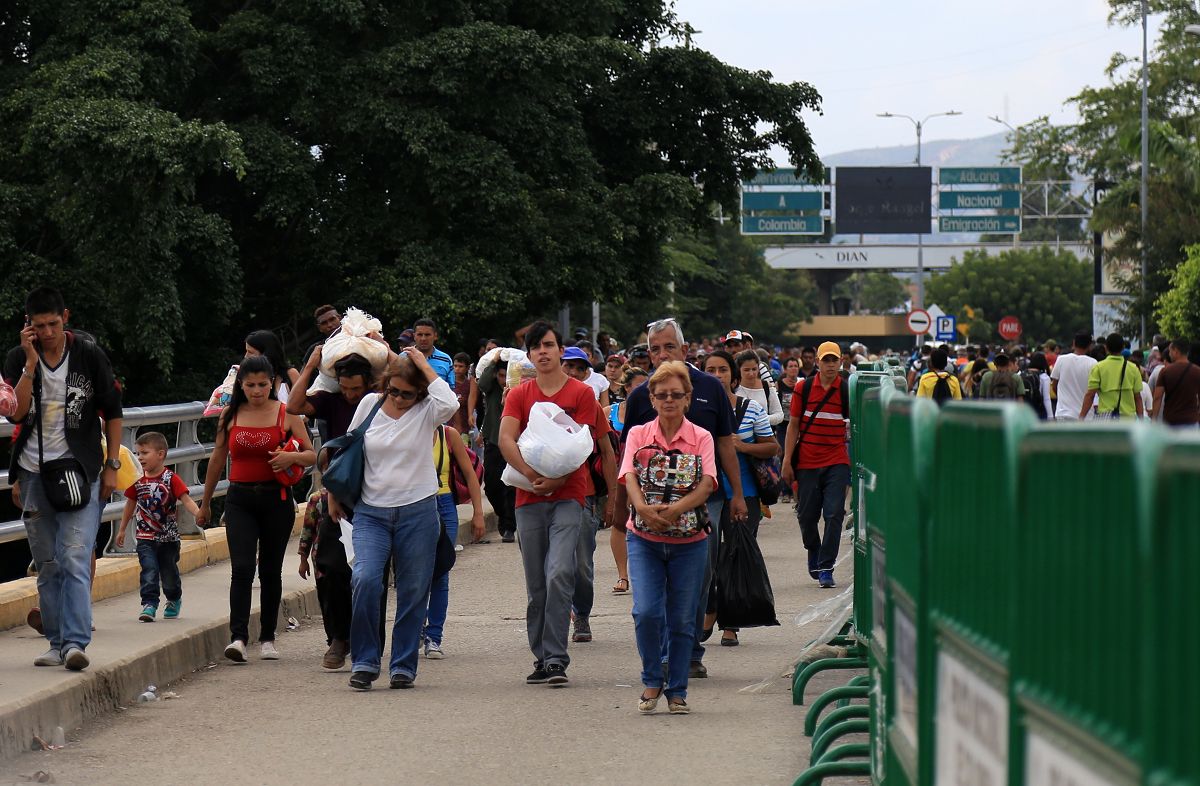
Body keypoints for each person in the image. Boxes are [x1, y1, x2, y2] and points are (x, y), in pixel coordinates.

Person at [3, 286, 124, 670]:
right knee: (47, 563)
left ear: (65, 317)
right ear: (29, 326)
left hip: (82, 470)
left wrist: (112, 465)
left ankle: (75, 643)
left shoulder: (87, 354)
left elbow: (114, 409)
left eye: (53, 324)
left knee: (74, 555)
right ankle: (55, 643)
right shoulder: (18, 359)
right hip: (34, 473)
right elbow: (16, 414)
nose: (48, 332)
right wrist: (29, 362)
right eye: (39, 326)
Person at [617, 318, 745, 679]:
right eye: (653, 348)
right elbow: (627, 455)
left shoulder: (708, 387)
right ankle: (662, 654)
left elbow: (724, 444)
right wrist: (623, 505)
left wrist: (738, 494)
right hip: (650, 509)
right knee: (654, 590)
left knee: (699, 576)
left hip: (708, 500)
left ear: (685, 350)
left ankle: (690, 650)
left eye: (668, 347)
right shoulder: (642, 393)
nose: (660, 354)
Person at [500, 321, 617, 687]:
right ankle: (541, 657)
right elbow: (505, 439)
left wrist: (607, 497)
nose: (543, 351)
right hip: (527, 499)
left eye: (549, 345)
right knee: (537, 585)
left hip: (571, 497)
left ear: (560, 351)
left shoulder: (582, 394)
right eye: (536, 347)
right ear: (530, 355)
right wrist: (531, 476)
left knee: (560, 573)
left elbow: (587, 447)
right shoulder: (519, 394)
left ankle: (556, 659)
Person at [334, 349, 460, 690]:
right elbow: (347, 449)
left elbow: (451, 404)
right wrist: (333, 495)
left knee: (413, 591)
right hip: (371, 512)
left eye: (409, 393)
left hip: (418, 512)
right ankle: (364, 661)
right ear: (385, 384)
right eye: (395, 390)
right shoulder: (368, 406)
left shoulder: (427, 410)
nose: (401, 399)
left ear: (419, 392)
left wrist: (422, 364)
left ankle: (403, 665)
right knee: (365, 580)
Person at [197, 355, 317, 663]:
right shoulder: (230, 414)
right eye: (250, 385)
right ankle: (238, 637)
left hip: (276, 499)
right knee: (241, 568)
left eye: (263, 384)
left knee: (270, 571)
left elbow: (311, 455)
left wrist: (290, 458)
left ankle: (267, 638)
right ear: (241, 385)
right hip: (239, 500)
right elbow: (216, 459)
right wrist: (206, 503)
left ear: (274, 384)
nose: (257, 391)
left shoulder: (287, 414)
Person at [620, 361, 715, 716]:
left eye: (677, 394)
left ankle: (677, 690)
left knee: (681, 619)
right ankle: (651, 677)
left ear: (688, 398)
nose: (669, 400)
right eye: (662, 395)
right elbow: (628, 474)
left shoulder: (700, 437)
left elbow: (707, 483)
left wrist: (675, 511)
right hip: (643, 538)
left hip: (690, 542)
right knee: (645, 611)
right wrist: (642, 509)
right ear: (652, 398)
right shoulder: (638, 434)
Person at [289, 349, 376, 669]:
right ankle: (338, 638)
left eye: (357, 388)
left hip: (378, 495)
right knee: (328, 566)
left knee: (370, 573)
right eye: (346, 388)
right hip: (337, 494)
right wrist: (311, 363)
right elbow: (294, 406)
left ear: (369, 382)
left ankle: (367, 641)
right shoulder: (331, 400)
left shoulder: (382, 400)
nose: (351, 395)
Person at [701, 350, 777, 645]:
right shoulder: (697, 409)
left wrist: (743, 447)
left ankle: (731, 623)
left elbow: (772, 447)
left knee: (733, 557)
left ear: (733, 377)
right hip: (706, 496)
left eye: (722, 370)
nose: (717, 375)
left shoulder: (751, 409)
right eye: (711, 370)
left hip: (743, 495)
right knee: (706, 558)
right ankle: (710, 608)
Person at [781, 342, 850, 589]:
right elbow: (793, 425)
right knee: (807, 516)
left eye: (835, 360)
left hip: (837, 461)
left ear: (841, 362)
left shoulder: (846, 390)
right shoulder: (804, 388)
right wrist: (787, 461)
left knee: (834, 513)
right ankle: (814, 550)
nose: (830, 364)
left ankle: (826, 566)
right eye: (826, 360)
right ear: (817, 362)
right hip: (808, 462)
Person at [116, 432, 201, 622]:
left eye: (145, 453)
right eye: (138, 453)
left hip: (169, 538)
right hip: (145, 537)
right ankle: (149, 604)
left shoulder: (171, 478)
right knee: (149, 569)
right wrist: (122, 529)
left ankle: (173, 598)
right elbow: (130, 503)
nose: (140, 458)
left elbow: (185, 499)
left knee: (168, 573)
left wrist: (199, 514)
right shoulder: (137, 479)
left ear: (161, 454)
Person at [423, 423, 487, 659]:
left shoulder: (447, 434)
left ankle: (433, 637)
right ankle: (416, 625)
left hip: (444, 506)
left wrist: (477, 513)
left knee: (440, 572)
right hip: (413, 507)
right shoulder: (403, 428)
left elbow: (470, 474)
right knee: (412, 573)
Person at [607, 365, 647, 595]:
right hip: (620, 467)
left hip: (648, 469)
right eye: (639, 386)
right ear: (626, 388)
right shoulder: (609, 411)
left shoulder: (654, 410)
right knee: (619, 518)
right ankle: (623, 576)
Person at [476, 348, 517, 542]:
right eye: (500, 375)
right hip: (493, 440)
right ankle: (505, 516)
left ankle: (508, 525)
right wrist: (494, 360)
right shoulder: (492, 389)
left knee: (511, 486)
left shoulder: (519, 390)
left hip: (516, 443)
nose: (503, 380)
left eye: (506, 375)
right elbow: (482, 383)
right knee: (491, 486)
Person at [1079, 333, 1144, 420]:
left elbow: (1090, 395)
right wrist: (1141, 420)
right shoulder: (1133, 368)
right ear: (1123, 348)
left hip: (1107, 420)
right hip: (1128, 421)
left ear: (1106, 348)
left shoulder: (1098, 368)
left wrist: (1081, 418)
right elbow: (1138, 398)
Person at [1151, 339, 1200, 428]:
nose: (1169, 354)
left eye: (1170, 351)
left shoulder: (1165, 371)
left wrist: (1154, 420)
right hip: (1191, 421)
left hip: (1170, 421)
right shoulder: (1197, 371)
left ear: (1176, 351)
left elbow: (1157, 397)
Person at [1051, 332, 1097, 421]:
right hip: (1086, 416)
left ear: (1074, 344)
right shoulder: (1093, 363)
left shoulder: (1061, 359)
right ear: (1090, 346)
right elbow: (1093, 391)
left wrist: (1063, 397)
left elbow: (1054, 386)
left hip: (1063, 413)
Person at [245, 330, 301, 399]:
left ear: (265, 354)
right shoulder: (244, 375)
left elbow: (301, 404)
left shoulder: (290, 374)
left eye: (250, 352)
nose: (246, 356)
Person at [733, 350, 783, 427]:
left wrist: (760, 420)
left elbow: (779, 415)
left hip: (764, 435)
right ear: (739, 369)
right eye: (746, 370)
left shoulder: (766, 386)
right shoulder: (734, 388)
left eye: (754, 369)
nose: (751, 374)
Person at [413, 318, 455, 387]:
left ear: (435, 336)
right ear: (414, 336)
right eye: (420, 334)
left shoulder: (446, 360)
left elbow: (450, 389)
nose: (423, 338)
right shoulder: (403, 357)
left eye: (427, 335)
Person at [1021, 353, 1052, 420]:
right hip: (1038, 411)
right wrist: (1050, 417)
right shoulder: (1044, 377)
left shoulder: (1021, 374)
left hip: (1023, 410)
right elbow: (1046, 398)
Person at [451, 353, 472, 434]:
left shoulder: (469, 384)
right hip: (450, 420)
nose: (457, 369)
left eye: (461, 366)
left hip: (465, 421)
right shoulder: (449, 382)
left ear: (467, 368)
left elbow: (475, 401)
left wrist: (466, 402)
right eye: (455, 366)